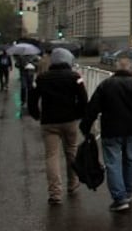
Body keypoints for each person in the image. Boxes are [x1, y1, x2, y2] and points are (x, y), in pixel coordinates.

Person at [80, 56, 132, 212]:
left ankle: (119, 198)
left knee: (113, 162)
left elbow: (93, 107)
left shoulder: (106, 85)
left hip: (111, 129)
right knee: (130, 159)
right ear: (130, 68)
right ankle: (128, 193)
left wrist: (85, 126)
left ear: (116, 68)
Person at [27, 47, 88, 204]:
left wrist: (36, 114)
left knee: (51, 156)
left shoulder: (42, 78)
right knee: (71, 152)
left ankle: (55, 193)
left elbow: (32, 99)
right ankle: (73, 184)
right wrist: (79, 114)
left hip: (49, 121)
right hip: (69, 121)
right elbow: (83, 99)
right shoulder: (75, 77)